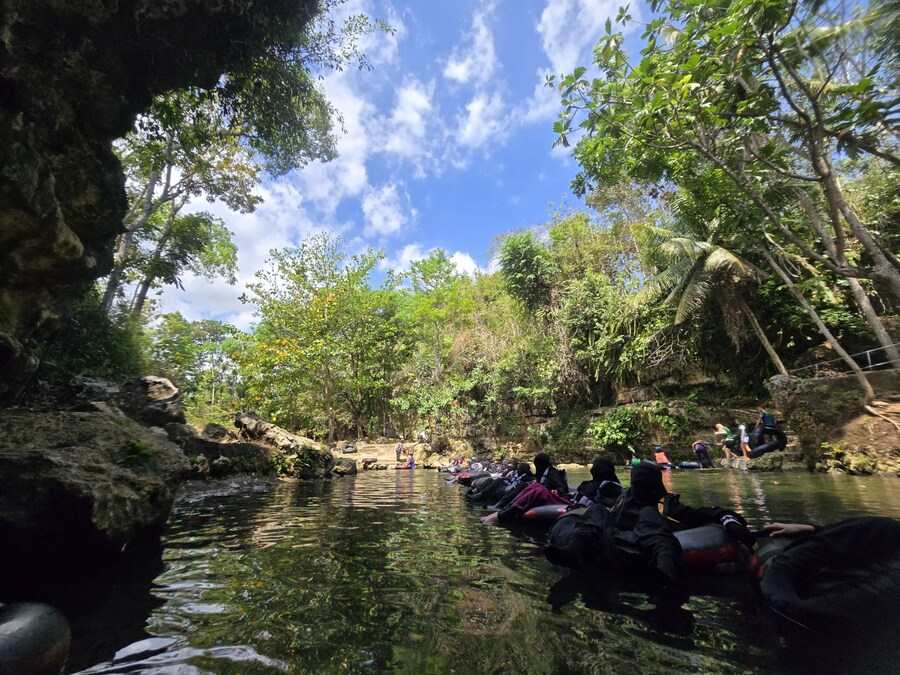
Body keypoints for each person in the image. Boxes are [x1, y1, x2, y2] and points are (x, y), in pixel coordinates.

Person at [544, 461, 754, 602]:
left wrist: (731, 522)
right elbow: (601, 507)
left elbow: (709, 513)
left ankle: (665, 571)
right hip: (613, 543)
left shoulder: (665, 506)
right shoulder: (623, 500)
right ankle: (575, 550)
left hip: (637, 548)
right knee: (597, 511)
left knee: (645, 516)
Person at [481, 452, 569, 524]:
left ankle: (502, 514)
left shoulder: (552, 473)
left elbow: (562, 487)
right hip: (541, 493)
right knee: (532, 486)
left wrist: (558, 491)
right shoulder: (541, 473)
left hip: (548, 495)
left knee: (537, 489)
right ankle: (502, 509)